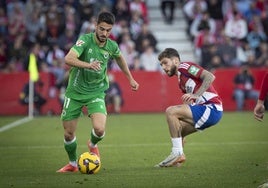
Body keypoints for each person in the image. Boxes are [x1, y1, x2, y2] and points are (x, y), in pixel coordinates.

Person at [57, 11, 139, 173]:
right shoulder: (85, 41)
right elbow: (68, 59)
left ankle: (92, 144)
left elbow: (120, 59)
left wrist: (130, 78)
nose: (104, 33)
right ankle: (73, 164)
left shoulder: (112, 46)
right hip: (75, 92)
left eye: (108, 30)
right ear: (95, 26)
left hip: (96, 92)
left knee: (100, 130)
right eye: (102, 29)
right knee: (68, 134)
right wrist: (88, 65)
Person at [155, 48, 223, 167]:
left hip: (211, 108)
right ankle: (178, 158)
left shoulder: (185, 67)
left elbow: (210, 76)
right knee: (177, 129)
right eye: (161, 65)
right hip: (206, 110)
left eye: (165, 63)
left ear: (176, 61)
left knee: (170, 112)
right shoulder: (180, 81)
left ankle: (176, 153)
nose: (164, 67)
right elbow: (190, 104)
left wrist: (196, 95)